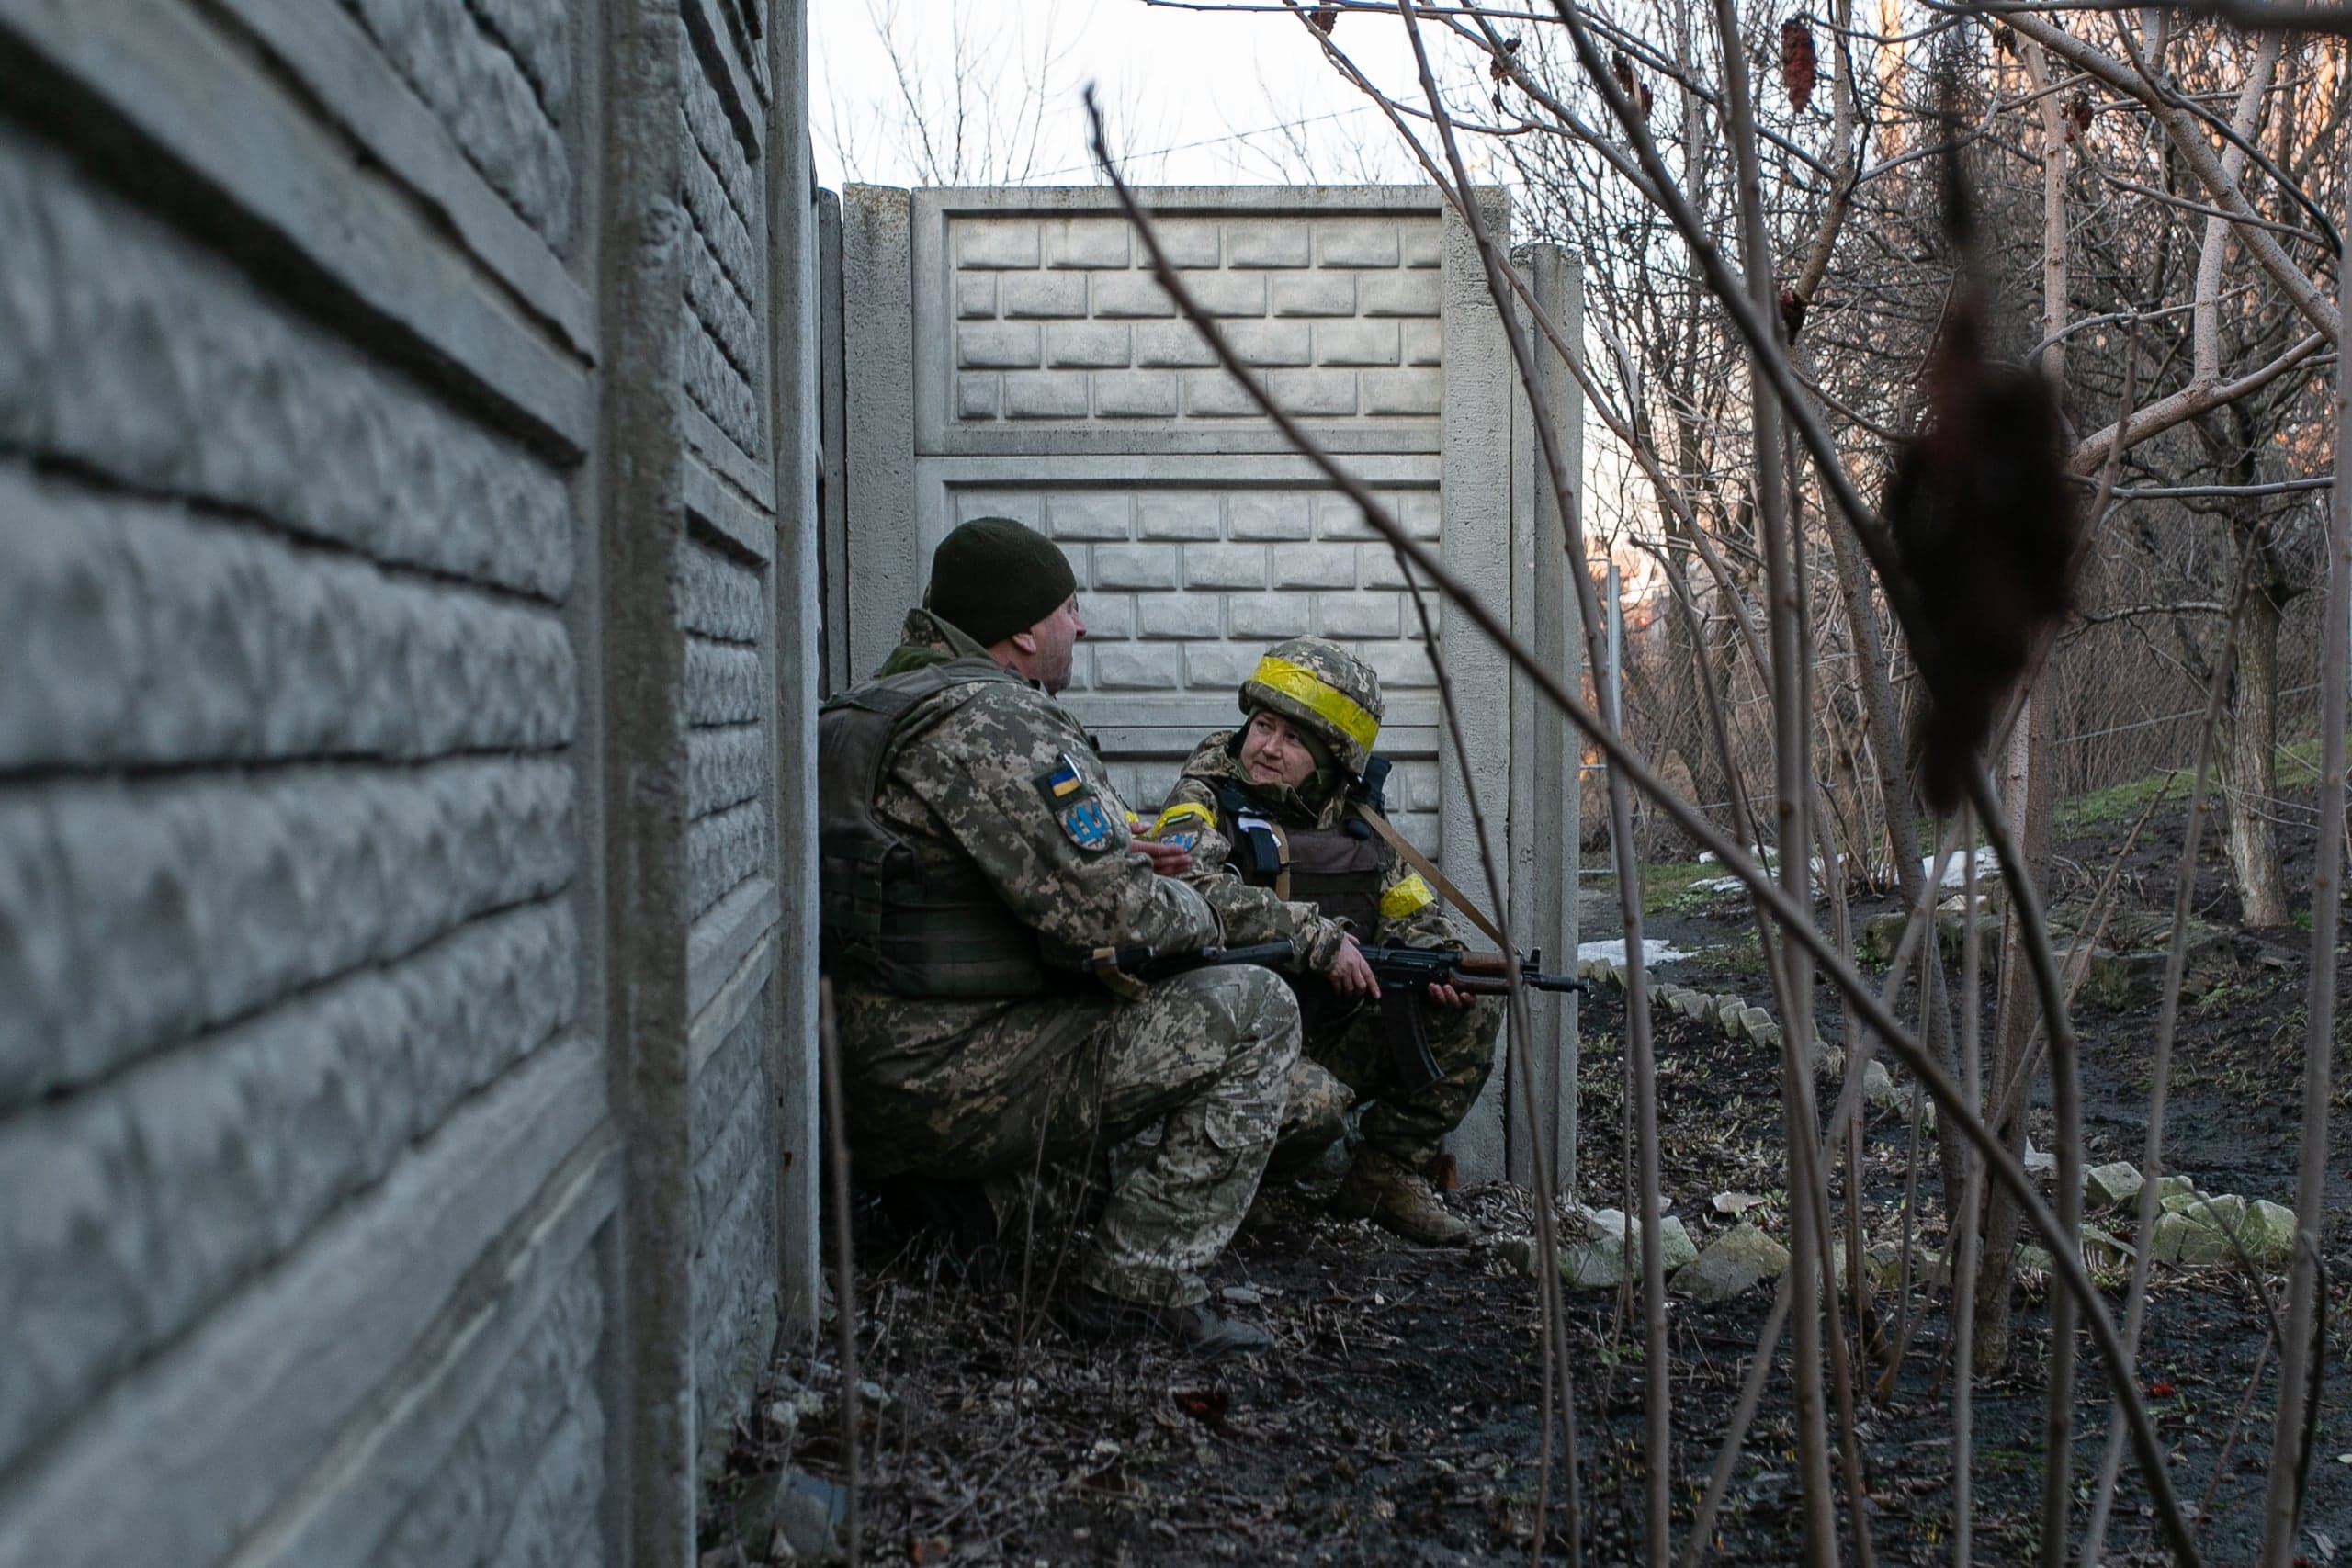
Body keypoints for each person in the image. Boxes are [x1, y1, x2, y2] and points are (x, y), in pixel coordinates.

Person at [818, 517, 1351, 1356]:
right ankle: (1135, 1291)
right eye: (1070, 609)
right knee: (1255, 1009)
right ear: (1025, 629)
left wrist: (1109, 859)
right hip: (943, 1075)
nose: (1084, 625)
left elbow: (947, 883)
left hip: (860, 1072)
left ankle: (990, 1206)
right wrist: (1196, 909)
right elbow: (1116, 917)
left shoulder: (869, 707)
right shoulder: (996, 721)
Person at [1150, 637, 1504, 1247]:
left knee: (1471, 1002)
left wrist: (1436, 961)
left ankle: (1386, 1174)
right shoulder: (1205, 794)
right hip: (1230, 1035)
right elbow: (1186, 891)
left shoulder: (1357, 821)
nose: (1267, 747)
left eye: (1292, 739)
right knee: (1316, 1106)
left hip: (1326, 1027)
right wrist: (1314, 937)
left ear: (1332, 758)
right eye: (1263, 726)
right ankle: (1241, 1185)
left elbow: (1410, 911)